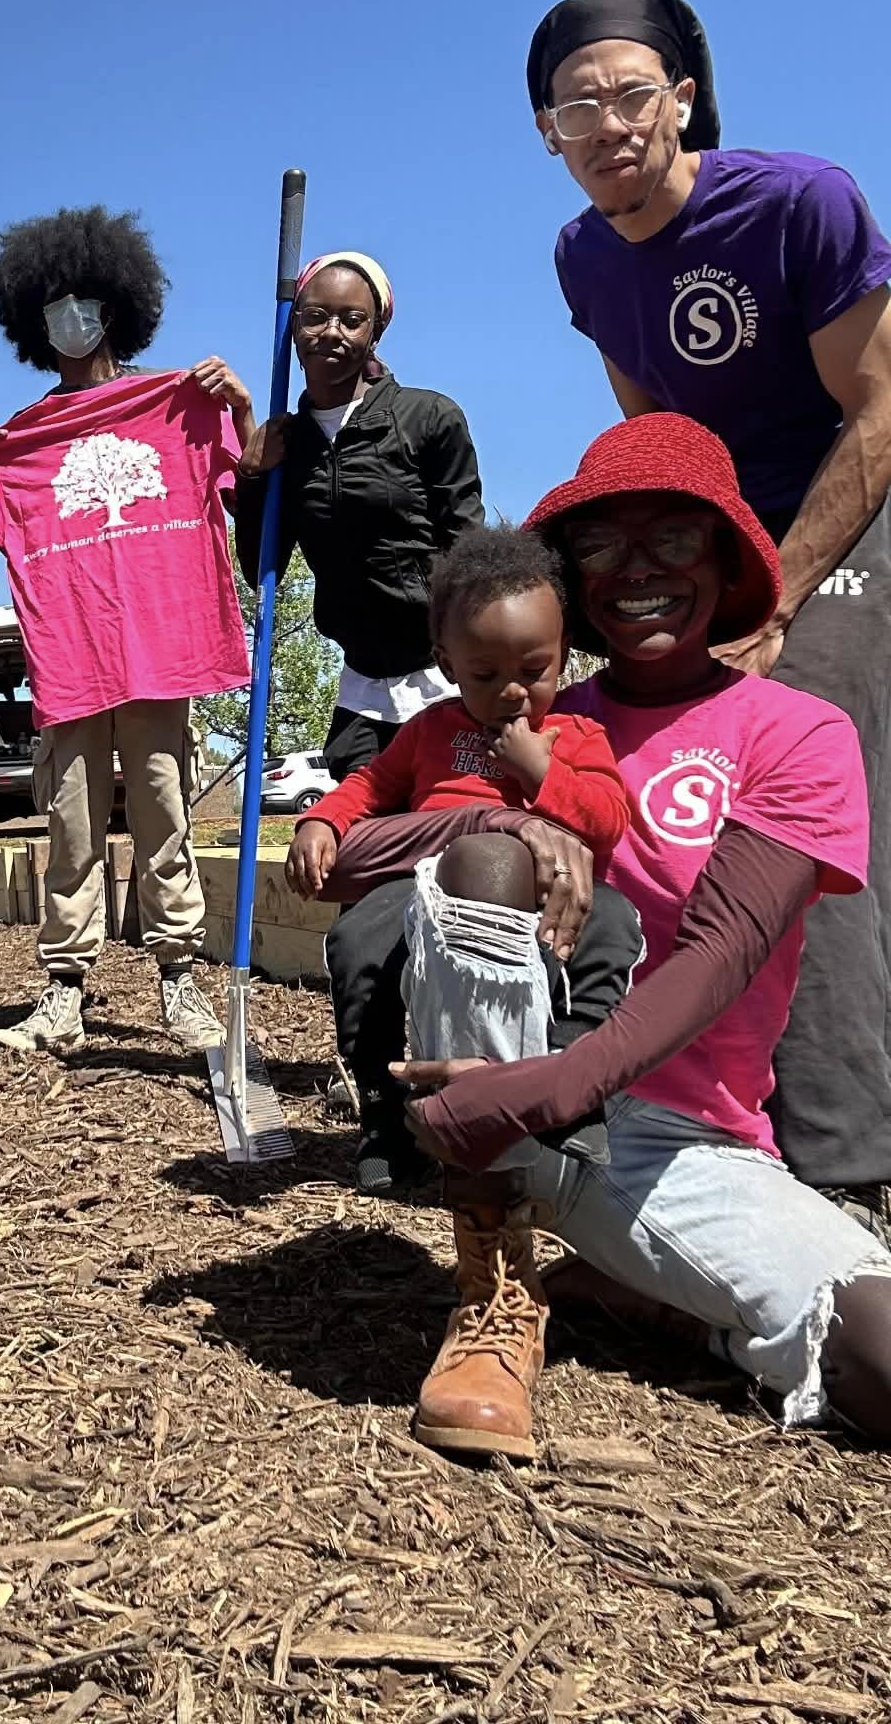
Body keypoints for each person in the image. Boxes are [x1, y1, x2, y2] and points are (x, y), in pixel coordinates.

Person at [325, 414, 891, 1457]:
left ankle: (656, 1297)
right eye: (601, 543)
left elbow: (722, 951)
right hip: (502, 1110)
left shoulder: (798, 732)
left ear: (727, 560)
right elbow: (348, 861)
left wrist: (562, 1083)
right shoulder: (519, 700)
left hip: (679, 1143)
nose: (638, 569)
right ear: (570, 574)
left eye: (674, 536)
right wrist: (501, 815)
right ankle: (492, 1284)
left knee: (882, 1360)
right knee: (491, 861)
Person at [529, 0, 891, 1229]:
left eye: (632, 94)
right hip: (726, 530)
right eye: (579, 107)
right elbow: (659, 433)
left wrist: (780, 588)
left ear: (683, 100)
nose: (610, 123)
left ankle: (845, 1158)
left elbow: (882, 404)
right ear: (548, 136)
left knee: (794, 743)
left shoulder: (801, 201)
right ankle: (681, 1097)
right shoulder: (583, 256)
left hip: (852, 508)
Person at [0, 205, 253, 1054]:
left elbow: (255, 468)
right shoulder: (21, 440)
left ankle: (179, 982)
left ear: (115, 305)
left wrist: (237, 405)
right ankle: (63, 992)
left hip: (163, 652)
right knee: (72, 827)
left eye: (82, 299)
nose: (68, 317)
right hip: (72, 655)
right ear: (29, 323)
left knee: (164, 815)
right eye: (50, 304)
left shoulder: (179, 403)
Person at [287, 525, 640, 1196]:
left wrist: (544, 774)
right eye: (485, 674)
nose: (512, 691)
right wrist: (322, 819)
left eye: (533, 670)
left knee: (614, 927)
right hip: (428, 894)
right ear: (447, 663)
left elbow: (609, 822)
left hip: (540, 900)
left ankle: (573, 1089)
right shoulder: (429, 732)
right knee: (358, 942)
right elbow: (369, 788)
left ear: (563, 657)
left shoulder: (577, 735)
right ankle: (388, 1115)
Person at [234, 252, 484, 781]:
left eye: (352, 320)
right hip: (363, 685)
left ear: (376, 331)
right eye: (315, 316)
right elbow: (261, 571)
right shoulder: (286, 443)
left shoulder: (429, 417)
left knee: (452, 829)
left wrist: (474, 658)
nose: (332, 333)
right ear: (292, 327)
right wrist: (253, 478)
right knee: (360, 843)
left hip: (445, 673)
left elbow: (470, 553)